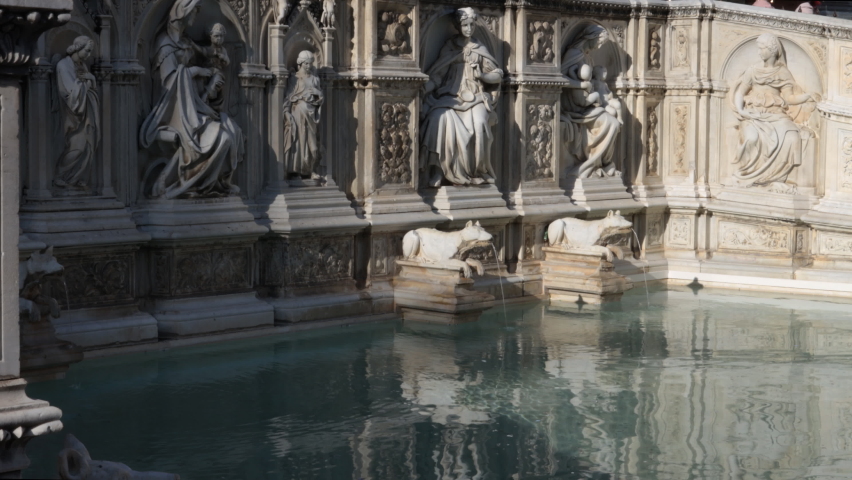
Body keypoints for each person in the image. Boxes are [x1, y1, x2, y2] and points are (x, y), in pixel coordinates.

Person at [139, 0, 245, 199]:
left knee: (232, 130)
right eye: (194, 12)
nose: (196, 18)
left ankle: (216, 184)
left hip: (192, 105)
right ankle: (189, 183)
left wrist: (213, 71)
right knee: (222, 138)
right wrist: (196, 71)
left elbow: (204, 56)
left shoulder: (186, 41)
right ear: (183, 13)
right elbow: (168, 83)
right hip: (172, 111)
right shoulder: (165, 44)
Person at [420, 7, 504, 187]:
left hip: (475, 97)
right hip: (450, 96)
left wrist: (482, 76)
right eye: (465, 25)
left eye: (471, 24)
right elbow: (437, 75)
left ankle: (477, 170)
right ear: (458, 26)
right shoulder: (450, 47)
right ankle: (438, 170)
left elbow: (497, 75)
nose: (469, 28)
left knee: (480, 123)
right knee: (437, 118)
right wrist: (423, 90)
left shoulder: (479, 48)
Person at [730, 33, 819, 187]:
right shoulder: (753, 70)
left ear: (772, 50)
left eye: (762, 48)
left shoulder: (783, 73)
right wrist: (741, 110)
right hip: (754, 114)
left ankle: (775, 178)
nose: (759, 52)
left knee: (792, 136)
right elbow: (740, 92)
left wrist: (807, 96)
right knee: (751, 139)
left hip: (776, 115)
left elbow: (790, 98)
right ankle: (749, 176)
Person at [560, 24, 622, 178]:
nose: (599, 46)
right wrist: (581, 85)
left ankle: (600, 163)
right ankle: (592, 164)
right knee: (612, 123)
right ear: (591, 38)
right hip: (575, 106)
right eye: (600, 42)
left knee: (613, 121)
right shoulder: (573, 53)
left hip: (588, 104)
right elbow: (560, 80)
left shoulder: (587, 56)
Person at [54, 36, 100, 189]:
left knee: (88, 147)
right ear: (78, 48)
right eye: (87, 51)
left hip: (88, 113)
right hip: (72, 114)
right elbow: (69, 91)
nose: (88, 55)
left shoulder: (83, 66)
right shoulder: (63, 65)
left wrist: (91, 79)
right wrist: (87, 83)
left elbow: (89, 88)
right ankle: (60, 176)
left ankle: (76, 179)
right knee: (77, 148)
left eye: (90, 52)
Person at [282, 50, 324, 180]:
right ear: (300, 63)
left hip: (311, 116)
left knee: (312, 145)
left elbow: (321, 98)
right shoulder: (294, 79)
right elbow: (288, 97)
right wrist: (286, 112)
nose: (309, 66)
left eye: (311, 63)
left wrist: (318, 93)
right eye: (306, 63)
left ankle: (310, 170)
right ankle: (295, 171)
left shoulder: (315, 79)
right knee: (298, 143)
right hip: (298, 114)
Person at [201, 23, 229, 111]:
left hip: (218, 72)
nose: (219, 39)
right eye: (216, 36)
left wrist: (224, 58)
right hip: (207, 71)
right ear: (210, 36)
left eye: (221, 36)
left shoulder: (223, 50)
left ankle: (206, 95)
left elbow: (227, 62)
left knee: (217, 81)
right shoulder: (208, 48)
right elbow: (202, 52)